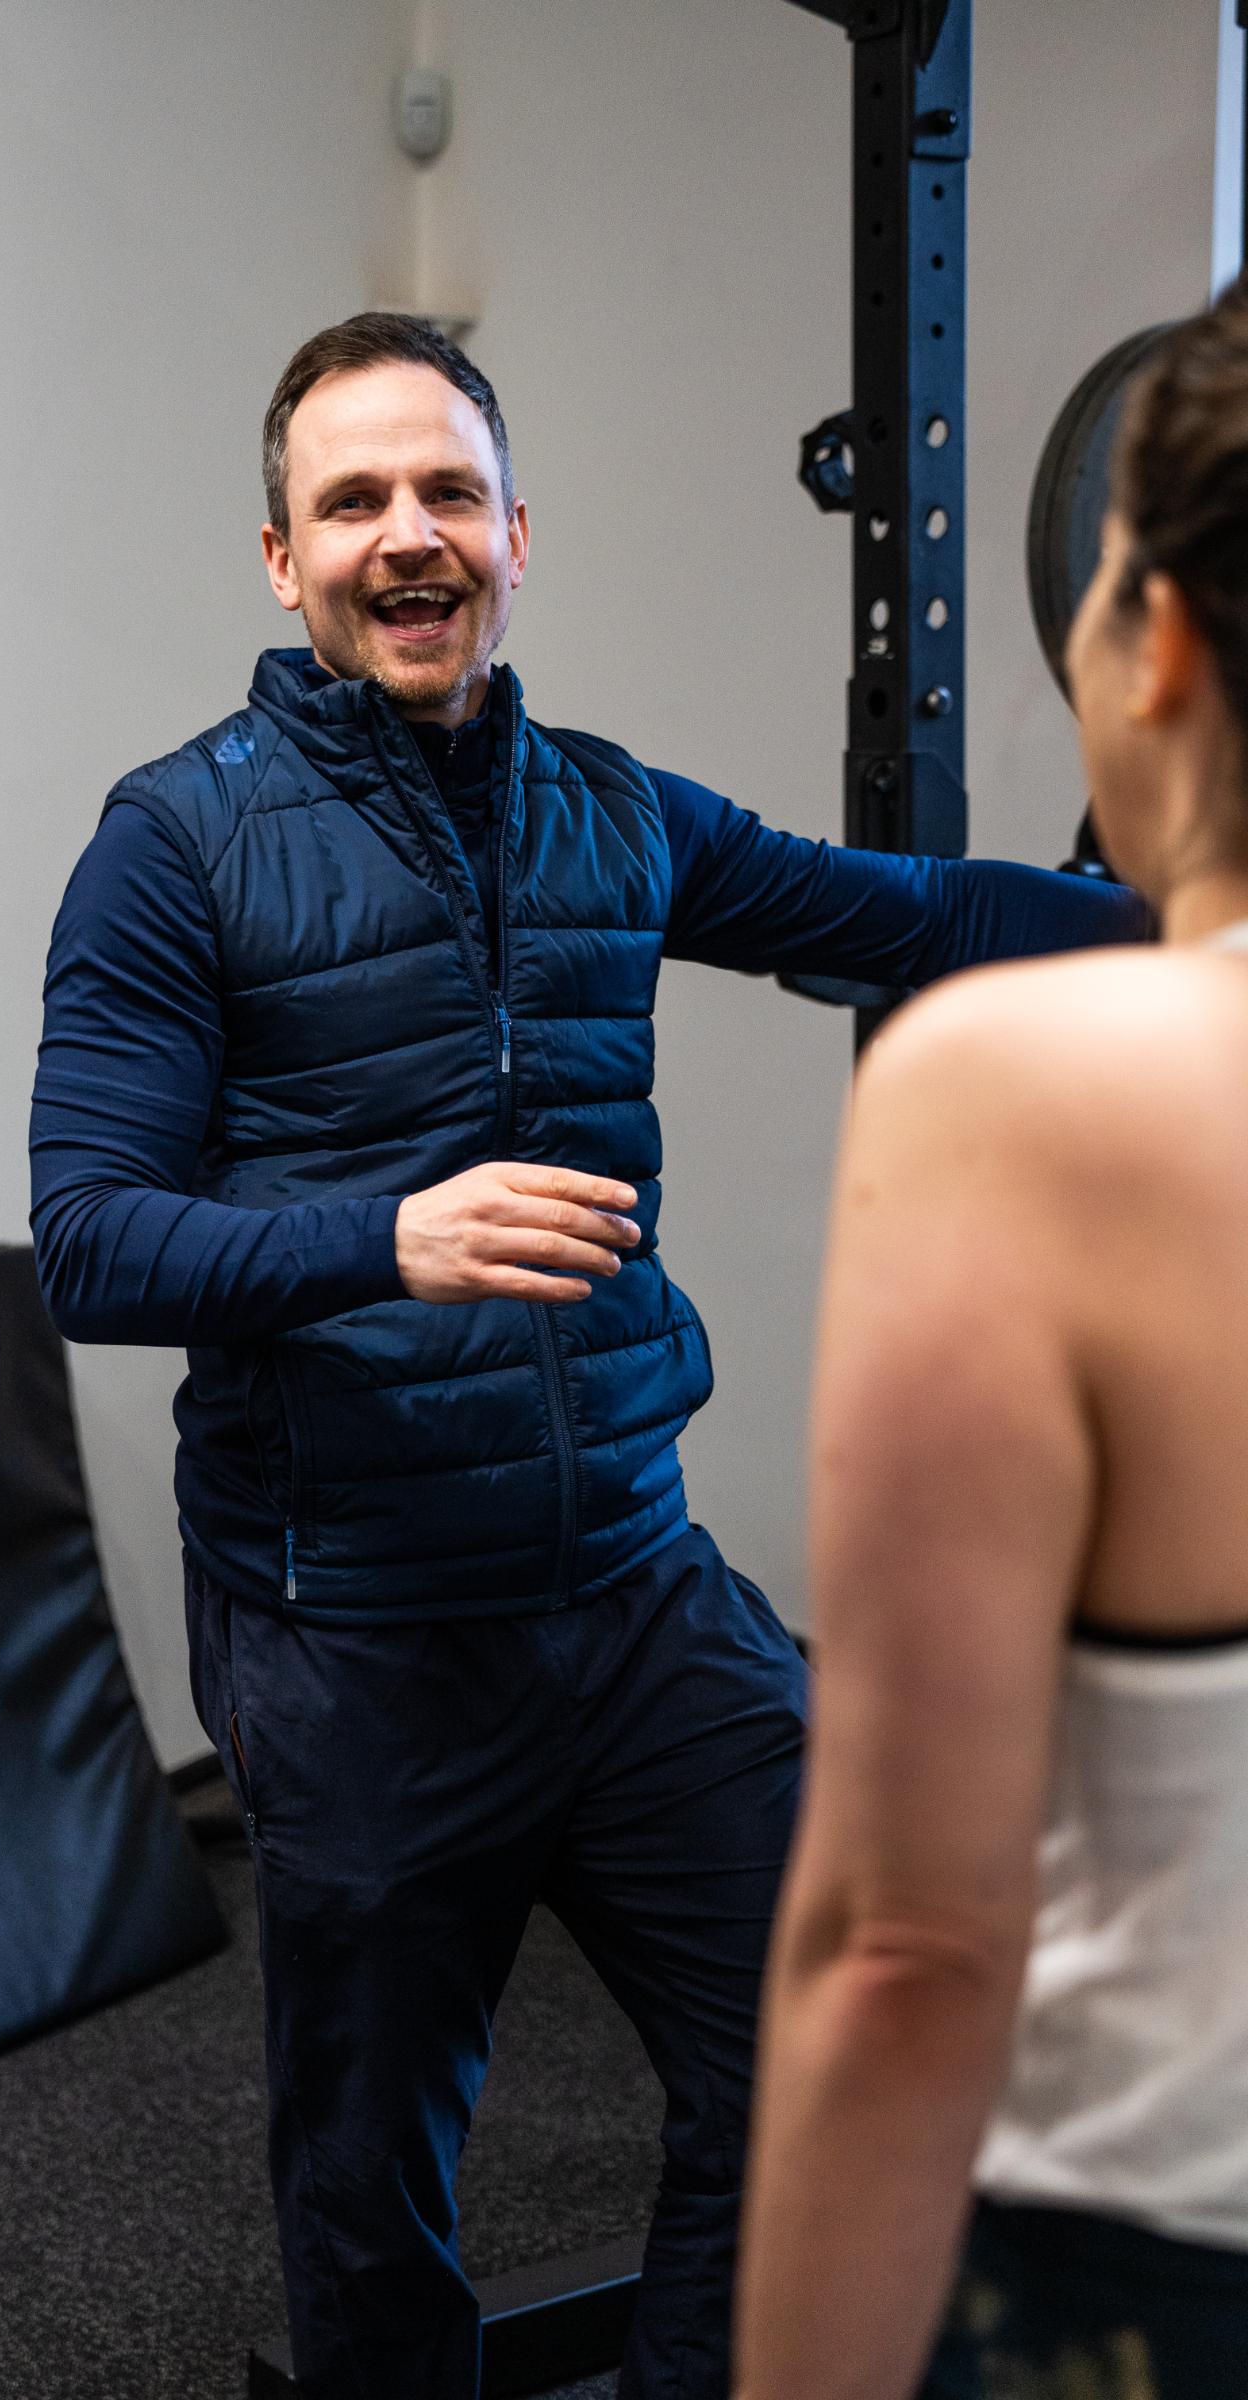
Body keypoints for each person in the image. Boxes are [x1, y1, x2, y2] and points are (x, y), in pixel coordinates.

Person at [28, 312, 1144, 2400]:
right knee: (373, 2200)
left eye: (446, 491)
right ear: (280, 559)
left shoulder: (607, 815)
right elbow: (86, 1240)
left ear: (515, 533)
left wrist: (1188, 908)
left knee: (841, 2042)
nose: (406, 535)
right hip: (354, 1631)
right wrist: (388, 1237)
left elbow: (901, 913)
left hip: (635, 1604)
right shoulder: (172, 845)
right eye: (352, 500)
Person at [735, 274, 1248, 2400]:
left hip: (1141, 2279)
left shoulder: (1013, 1098)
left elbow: (906, 1947)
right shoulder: (178, 845)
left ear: (1153, 639)